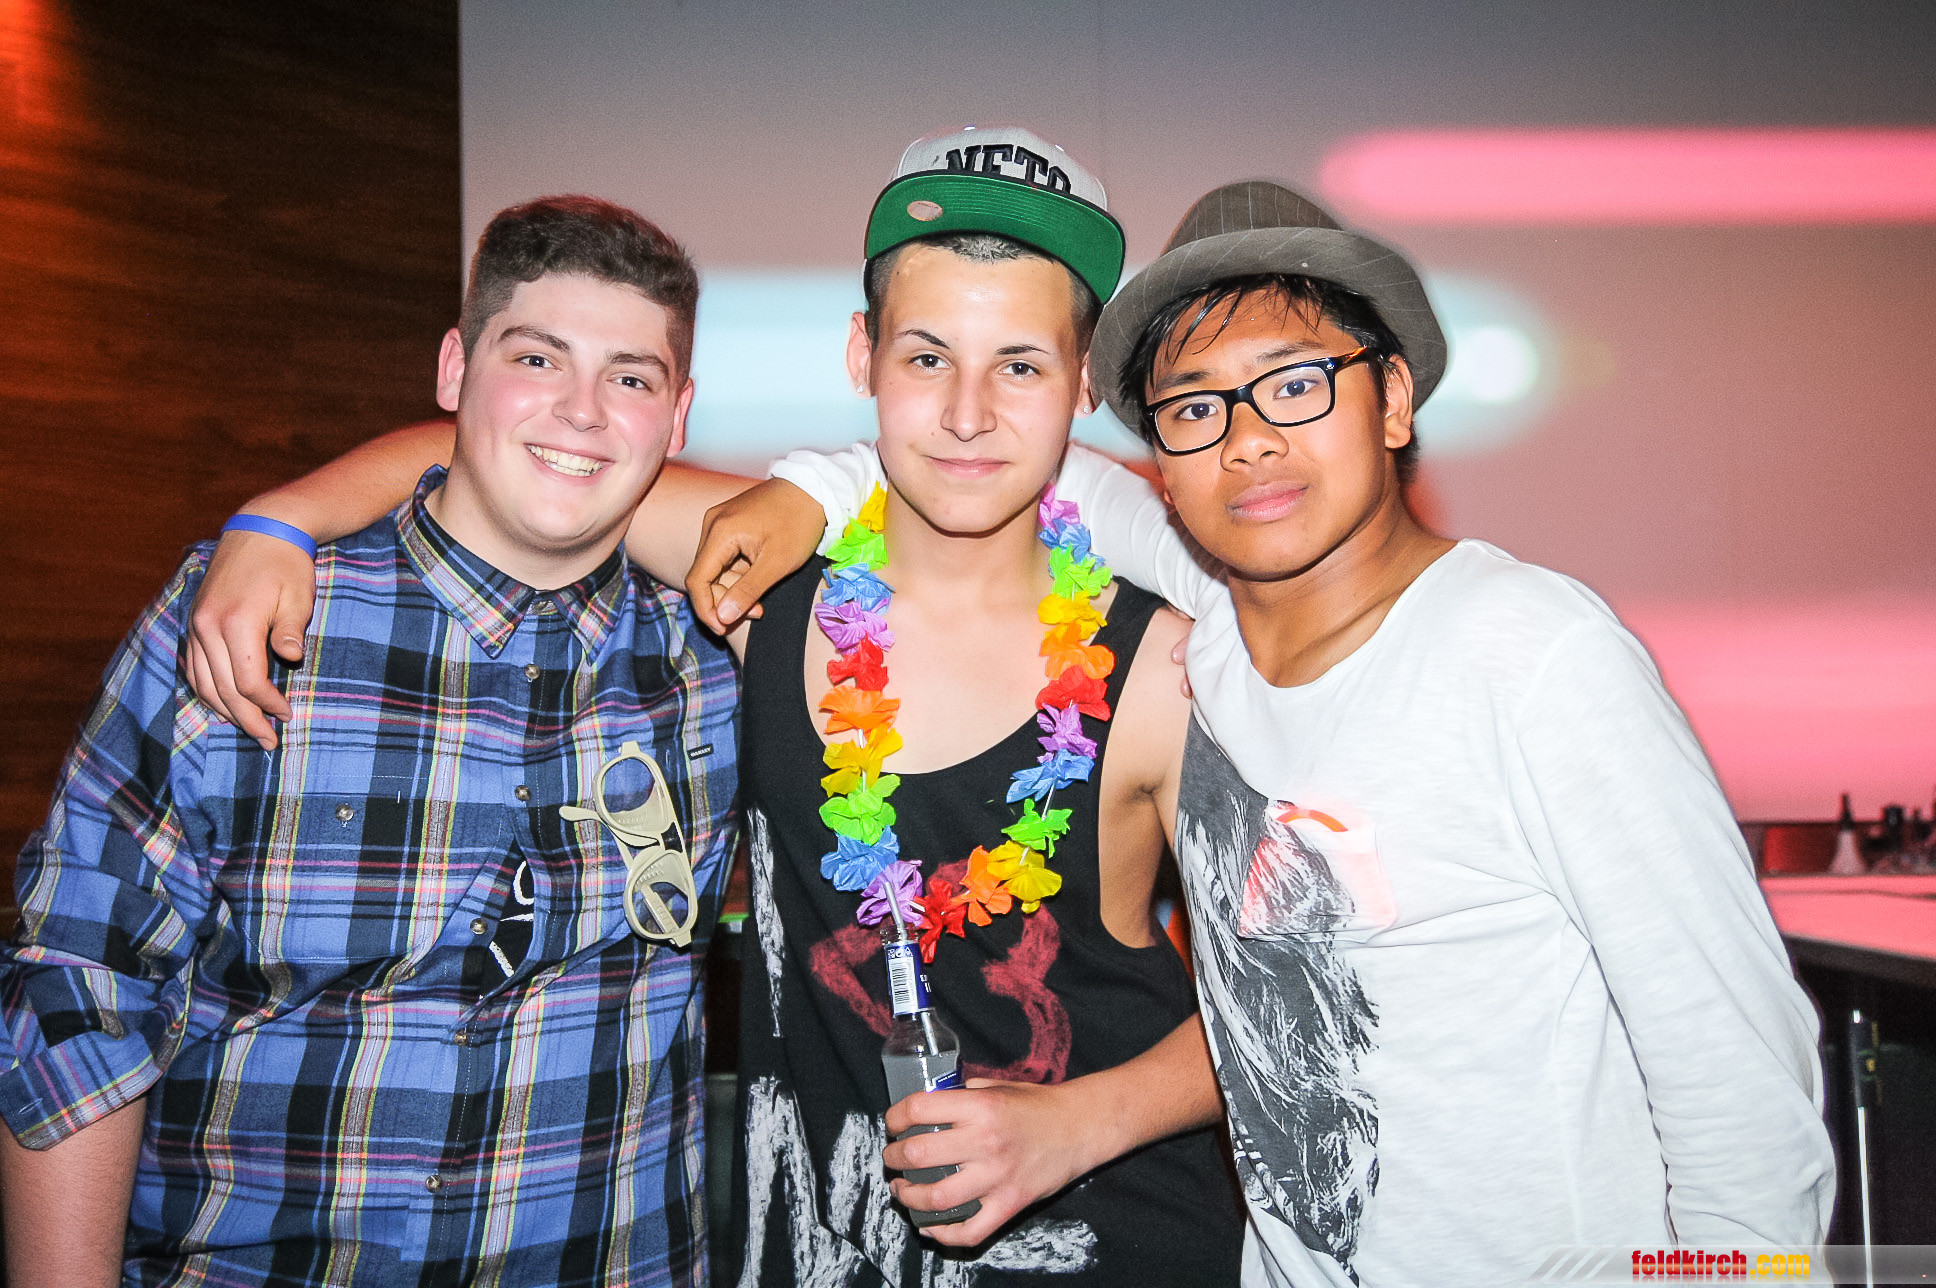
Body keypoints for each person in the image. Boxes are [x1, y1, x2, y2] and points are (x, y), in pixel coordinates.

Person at [177, 129, 1245, 1286]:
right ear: (863, 355)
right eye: (927, 356)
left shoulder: (1164, 666)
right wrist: (276, 521)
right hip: (817, 1247)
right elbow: (502, 454)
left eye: (1020, 366)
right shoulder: (762, 581)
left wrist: (1077, 1123)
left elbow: (1306, 1000)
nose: (967, 413)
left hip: (1120, 1241)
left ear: (1082, 382)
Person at [758, 181, 1837, 1286]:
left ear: (1394, 398)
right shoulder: (1214, 625)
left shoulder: (1529, 654)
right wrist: (808, 491)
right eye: (1196, 408)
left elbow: (1738, 1080)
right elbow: (994, 449)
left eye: (1295, 384)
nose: (1250, 443)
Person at [0, 196, 744, 1287]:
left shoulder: (722, 662)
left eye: (630, 378)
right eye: (536, 358)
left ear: (677, 420)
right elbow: (84, 983)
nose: (582, 411)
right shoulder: (255, 621)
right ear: (454, 369)